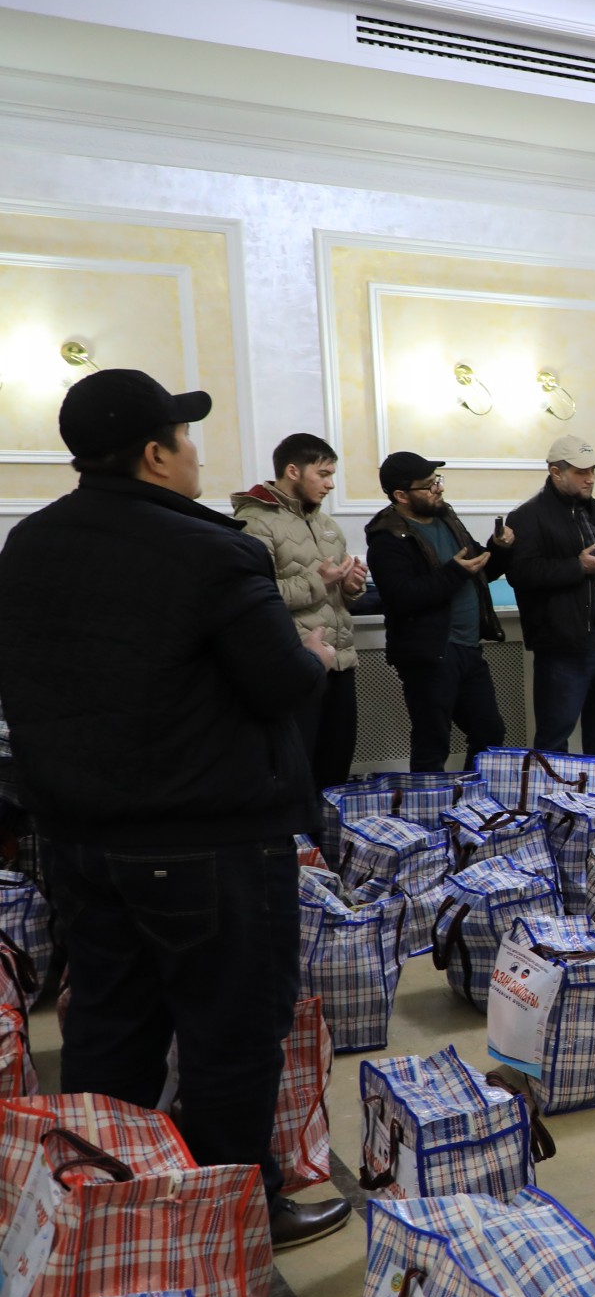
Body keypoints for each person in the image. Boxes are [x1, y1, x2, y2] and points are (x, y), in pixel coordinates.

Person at [0, 369, 348, 1248]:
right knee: (231, 1033)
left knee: (108, 1028)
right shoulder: (210, 550)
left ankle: (107, 1213)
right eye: (185, 438)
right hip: (207, 841)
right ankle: (234, 1220)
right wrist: (311, 654)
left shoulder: (30, 544)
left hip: (80, 839)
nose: (195, 453)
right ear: (156, 454)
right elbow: (275, 681)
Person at [364, 451, 514, 771]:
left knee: (489, 732)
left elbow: (479, 569)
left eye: (438, 481)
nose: (439, 489)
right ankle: (428, 802)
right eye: (429, 485)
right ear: (401, 495)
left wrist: (498, 549)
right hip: (429, 653)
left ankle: (472, 798)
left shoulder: (447, 519)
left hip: (468, 648)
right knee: (433, 741)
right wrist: (455, 572)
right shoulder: (387, 538)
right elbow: (403, 597)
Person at [234, 432, 366, 790]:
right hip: (295, 663)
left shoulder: (327, 525)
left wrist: (350, 587)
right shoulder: (255, 523)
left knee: (335, 765)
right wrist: (318, 582)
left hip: (340, 661)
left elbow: (338, 594)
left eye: (331, 475)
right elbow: (252, 597)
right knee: (297, 769)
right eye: (322, 474)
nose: (330, 484)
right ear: (293, 471)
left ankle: (329, 829)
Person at [507, 434, 595, 756]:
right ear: (555, 472)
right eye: (581, 472)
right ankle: (553, 790)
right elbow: (521, 573)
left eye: (593, 470)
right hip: (562, 642)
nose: (590, 478)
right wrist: (577, 567)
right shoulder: (527, 516)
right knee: (555, 731)